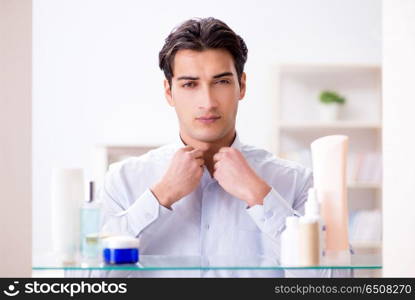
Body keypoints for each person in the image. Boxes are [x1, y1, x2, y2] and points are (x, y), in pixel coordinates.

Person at [86, 17, 351, 278]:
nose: (208, 101)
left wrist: (259, 196)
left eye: (221, 82)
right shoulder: (123, 180)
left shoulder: (296, 181)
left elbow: (337, 281)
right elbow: (91, 280)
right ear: (169, 92)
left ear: (242, 86)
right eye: (190, 84)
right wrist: (160, 196)